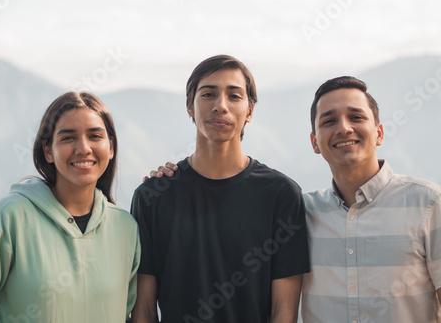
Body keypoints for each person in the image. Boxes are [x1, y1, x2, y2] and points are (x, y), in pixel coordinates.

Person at [150, 76, 441, 322]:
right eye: (328, 121)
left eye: (356, 117)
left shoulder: (429, 204)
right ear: (315, 142)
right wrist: (171, 180)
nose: (343, 128)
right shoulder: (300, 210)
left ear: (379, 132)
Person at [130, 55, 309, 323]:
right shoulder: (152, 196)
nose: (220, 106)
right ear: (190, 106)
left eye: (234, 96)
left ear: (250, 111)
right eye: (208, 94)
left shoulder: (281, 194)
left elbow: (283, 311)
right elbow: (143, 310)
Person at [0, 92, 140, 322]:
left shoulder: (125, 228)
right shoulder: (6, 218)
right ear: (48, 150)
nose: (83, 148)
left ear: (111, 147)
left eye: (95, 136)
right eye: (68, 138)